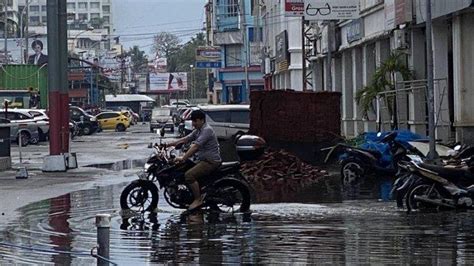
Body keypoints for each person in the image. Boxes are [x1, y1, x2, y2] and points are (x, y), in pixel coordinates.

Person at [168, 110, 222, 211]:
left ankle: (198, 199)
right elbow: (186, 139)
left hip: (210, 161)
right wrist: (168, 144)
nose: (193, 123)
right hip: (202, 160)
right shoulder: (199, 130)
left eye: (195, 121)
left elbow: (195, 147)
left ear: (202, 120)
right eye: (192, 121)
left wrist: (183, 158)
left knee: (189, 175)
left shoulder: (207, 130)